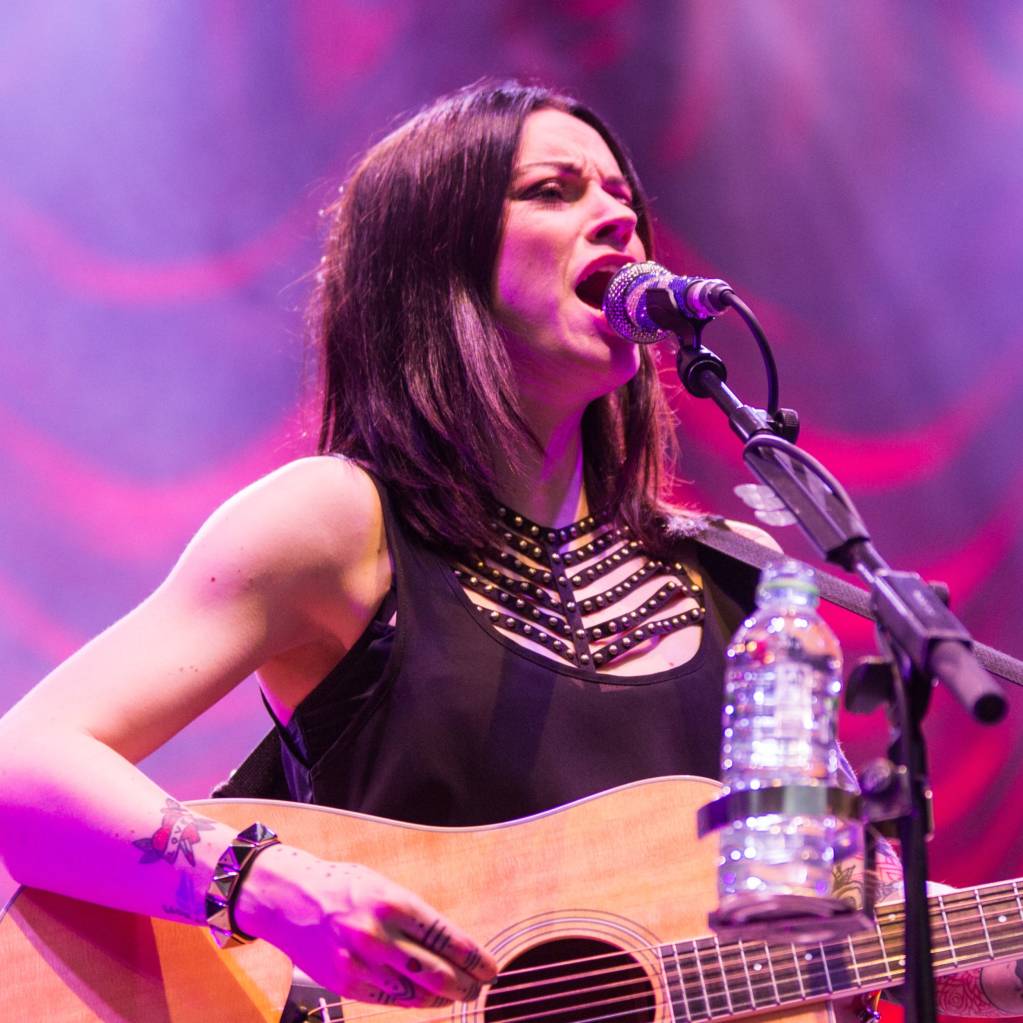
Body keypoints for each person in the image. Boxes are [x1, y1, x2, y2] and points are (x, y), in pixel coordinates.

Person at [0, 80, 1020, 1017]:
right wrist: (267, 885)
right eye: (555, 189)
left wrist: (988, 957)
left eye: (622, 192)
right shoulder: (335, 527)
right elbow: (24, 763)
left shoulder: (737, 580)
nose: (620, 214)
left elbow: (868, 917)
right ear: (434, 262)